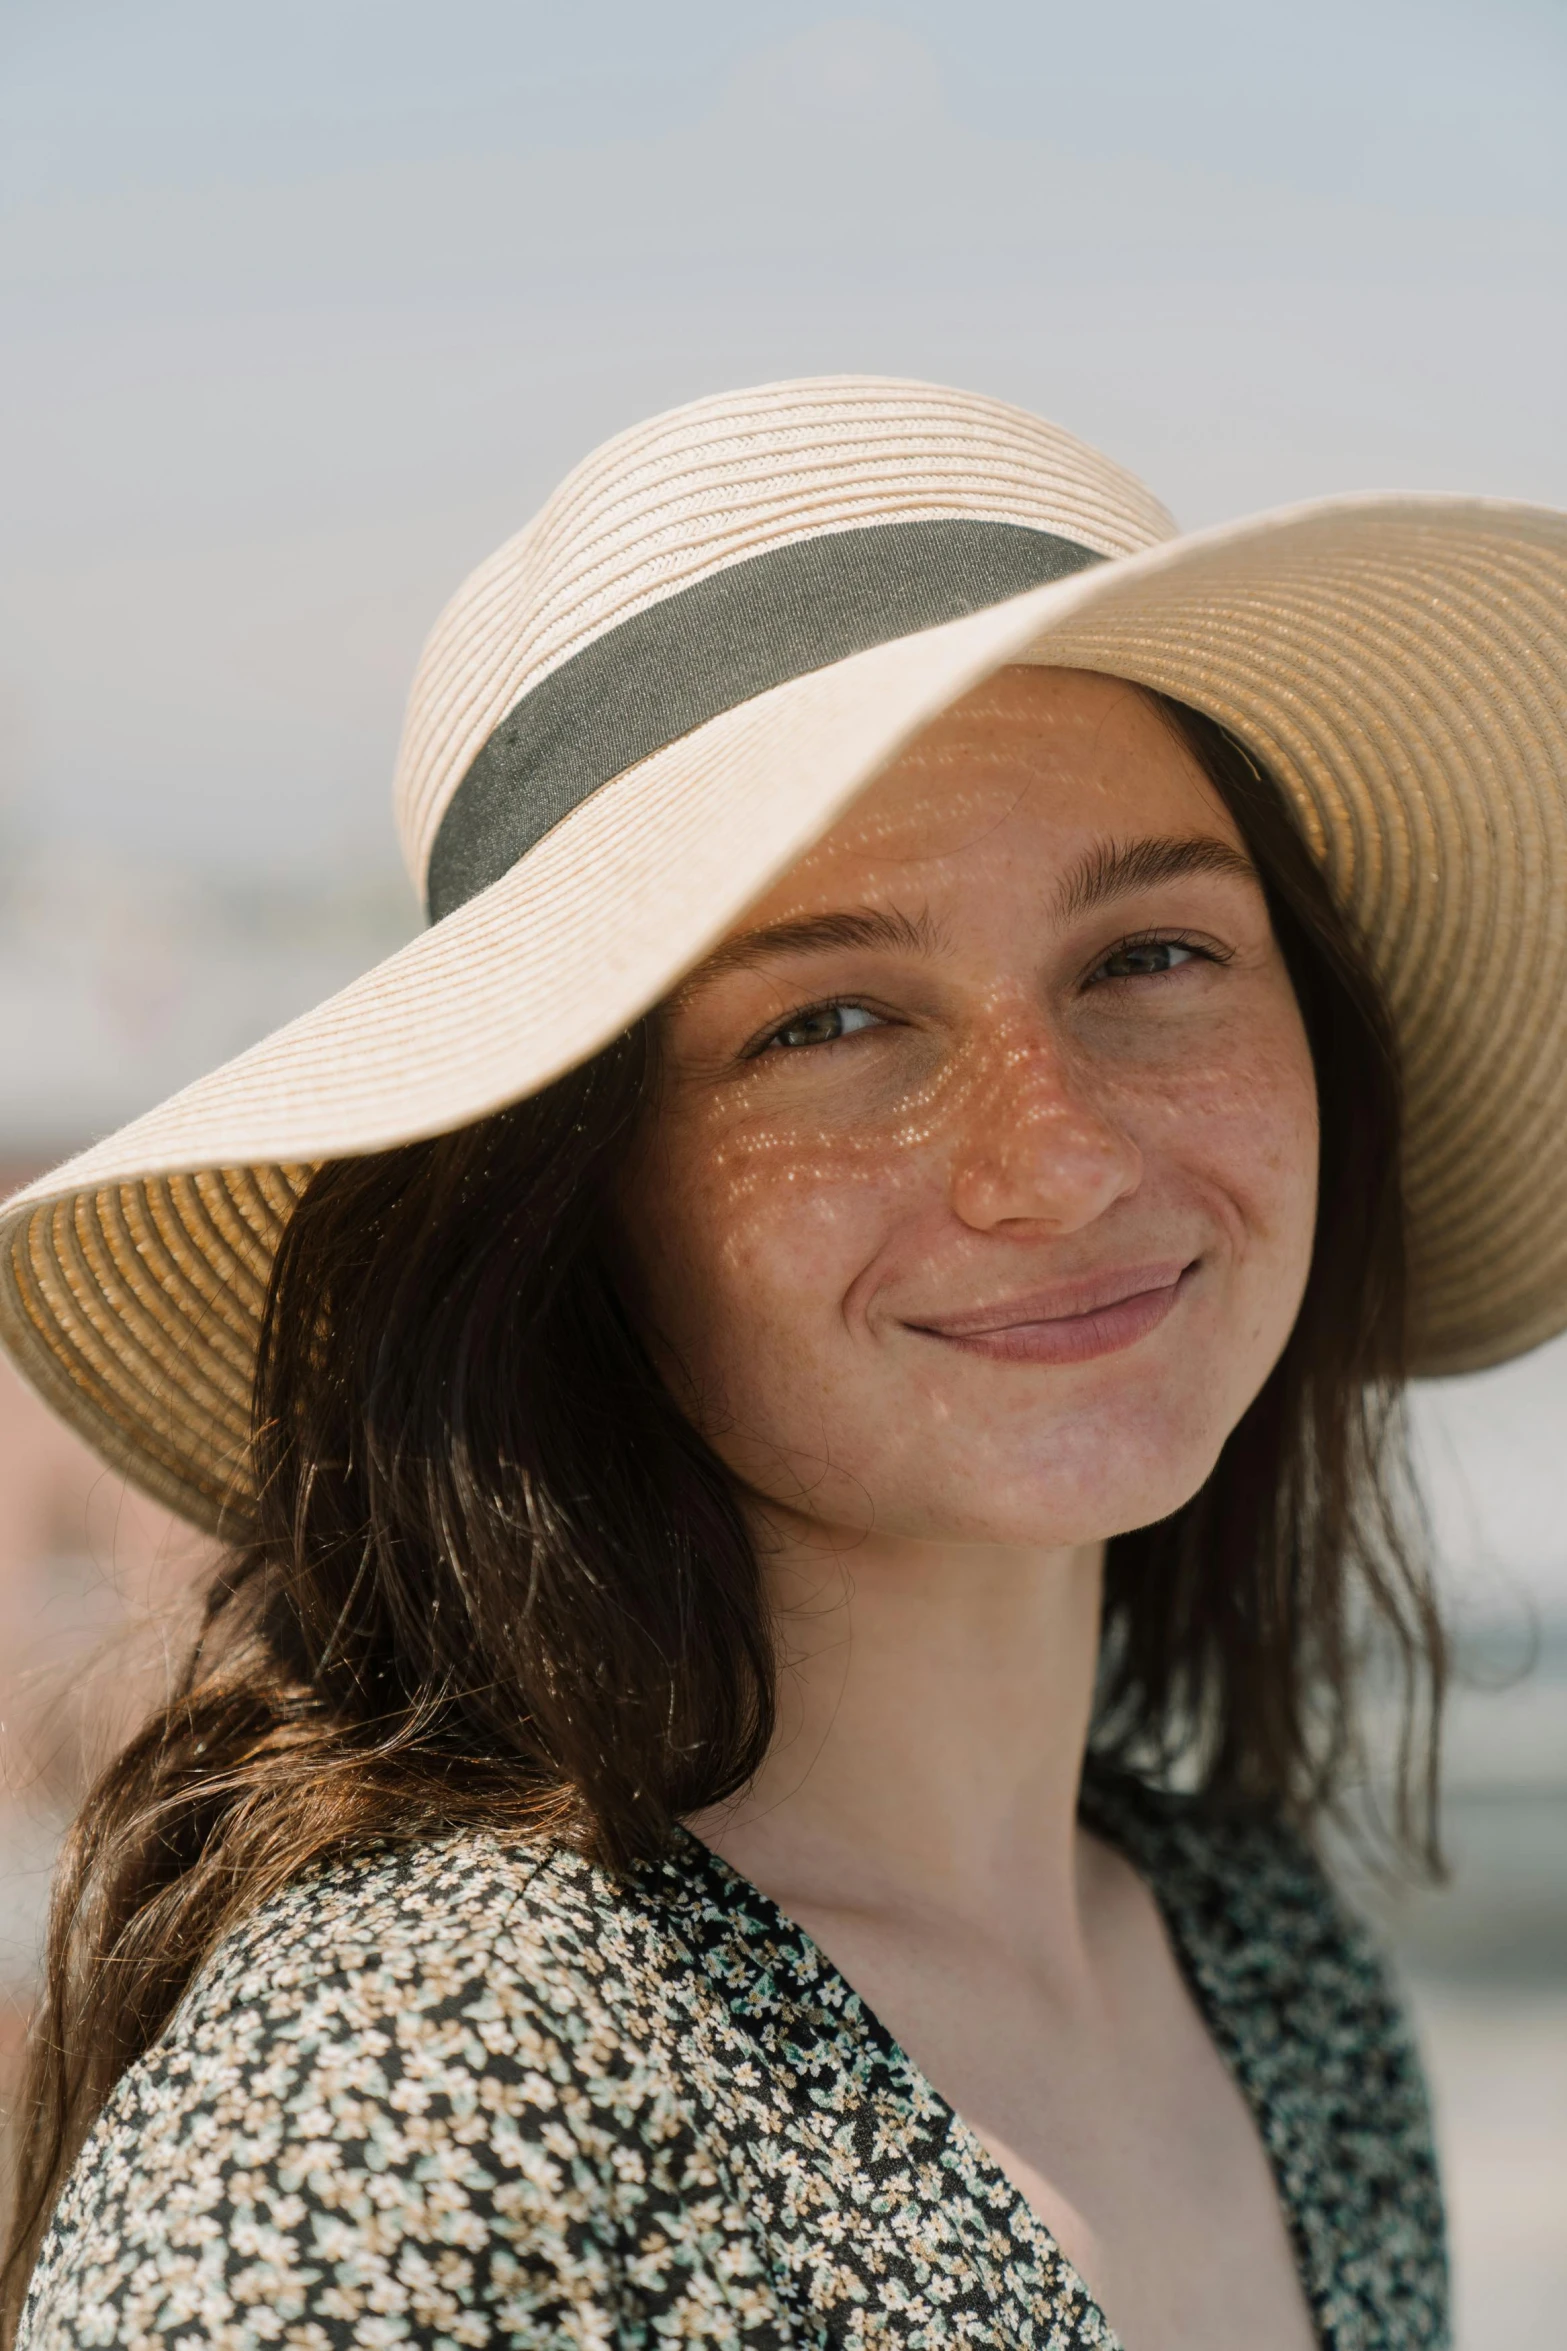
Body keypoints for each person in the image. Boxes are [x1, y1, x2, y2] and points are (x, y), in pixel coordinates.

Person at [3, 376, 1564, 2350]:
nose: (1059, 1152)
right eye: (831, 1017)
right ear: (577, 1203)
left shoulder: (1264, 1967)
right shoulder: (443, 2083)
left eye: (1153, 955)